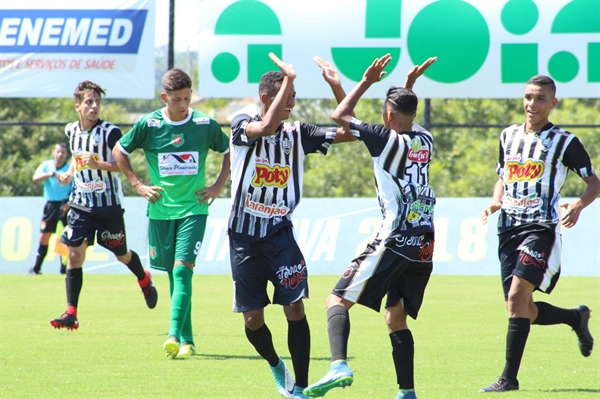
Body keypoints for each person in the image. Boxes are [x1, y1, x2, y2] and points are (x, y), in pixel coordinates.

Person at [303, 54, 437, 399]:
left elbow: (341, 118)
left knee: (335, 300)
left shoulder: (385, 138)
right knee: (395, 316)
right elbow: (391, 117)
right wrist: (408, 85)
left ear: (388, 117)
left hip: (394, 237)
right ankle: (407, 392)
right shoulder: (424, 139)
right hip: (424, 242)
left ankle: (338, 365)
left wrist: (364, 82)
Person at [228, 53, 355, 399]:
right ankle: (274, 364)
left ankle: (300, 387)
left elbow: (352, 131)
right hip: (244, 238)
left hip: (280, 236)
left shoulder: (300, 134)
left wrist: (336, 85)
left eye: (294, 98)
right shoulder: (241, 124)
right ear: (267, 98)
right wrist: (289, 78)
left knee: (295, 307)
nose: (292, 104)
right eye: (287, 96)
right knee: (253, 319)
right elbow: (266, 127)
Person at [479, 75, 600, 392]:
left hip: (540, 228)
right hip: (508, 227)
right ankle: (575, 318)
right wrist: (495, 202)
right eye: (529, 97)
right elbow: (503, 177)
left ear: (553, 103)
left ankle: (509, 378)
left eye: (541, 99)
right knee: (521, 307)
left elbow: (594, 183)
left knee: (518, 297)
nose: (533, 104)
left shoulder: (564, 141)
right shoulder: (507, 136)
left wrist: (578, 206)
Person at [113, 68, 231, 359]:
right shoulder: (149, 125)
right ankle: (188, 339)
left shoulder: (204, 124)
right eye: (177, 99)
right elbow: (119, 150)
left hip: (194, 210)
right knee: (174, 276)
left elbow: (230, 151)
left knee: (182, 270)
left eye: (187, 98)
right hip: (161, 212)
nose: (183, 104)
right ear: (164, 96)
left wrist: (217, 186)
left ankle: (173, 335)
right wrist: (138, 184)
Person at [51, 80, 158, 331]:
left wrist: (98, 164)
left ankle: (143, 279)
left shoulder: (110, 132)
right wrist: (69, 173)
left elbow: (123, 165)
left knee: (122, 255)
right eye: (89, 102)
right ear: (78, 106)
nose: (94, 106)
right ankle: (71, 313)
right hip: (81, 204)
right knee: (75, 255)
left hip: (108, 206)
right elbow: (78, 159)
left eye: (97, 102)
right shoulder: (70, 131)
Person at [28, 143, 71, 275]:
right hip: (50, 205)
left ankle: (65, 269)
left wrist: (69, 203)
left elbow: (77, 187)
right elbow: (35, 178)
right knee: (43, 237)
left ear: (66, 154)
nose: (60, 154)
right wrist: (52, 174)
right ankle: (36, 268)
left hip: (65, 206)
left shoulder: (70, 168)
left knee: (65, 238)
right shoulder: (47, 166)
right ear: (53, 152)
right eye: (58, 152)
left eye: (63, 152)